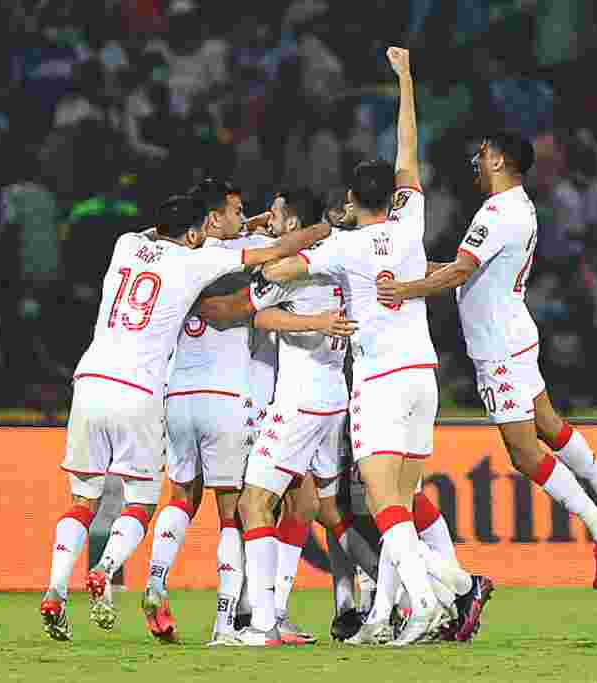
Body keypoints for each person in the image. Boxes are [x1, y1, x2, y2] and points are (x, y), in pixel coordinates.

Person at [38, 192, 329, 641]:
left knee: (110, 498)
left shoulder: (127, 244)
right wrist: (324, 230)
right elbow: (269, 258)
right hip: (188, 394)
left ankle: (61, 586)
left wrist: (230, 224)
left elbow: (163, 232)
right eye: (236, 210)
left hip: (106, 381)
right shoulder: (205, 260)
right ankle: (209, 615)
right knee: (214, 509)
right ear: (204, 226)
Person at [257, 47, 458, 646]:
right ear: (391, 198)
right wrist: (406, 81)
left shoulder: (343, 246)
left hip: (378, 382)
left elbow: (292, 268)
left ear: (353, 200)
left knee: (380, 497)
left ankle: (428, 602)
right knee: (403, 498)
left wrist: (263, 260)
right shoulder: (411, 220)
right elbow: (408, 153)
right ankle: (388, 615)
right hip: (424, 374)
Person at [376, 129, 597, 589]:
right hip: (514, 332)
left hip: (498, 346)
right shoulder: (519, 207)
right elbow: (463, 270)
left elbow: (459, 271)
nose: (476, 160)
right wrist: (411, 272)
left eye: (481, 153)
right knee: (549, 424)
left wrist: (404, 289)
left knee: (523, 451)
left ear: (499, 161)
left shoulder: (496, 213)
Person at [140, 180, 348, 645]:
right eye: (238, 210)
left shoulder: (170, 251)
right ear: (215, 217)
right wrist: (319, 227)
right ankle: (235, 619)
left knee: (182, 496)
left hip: (177, 391)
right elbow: (250, 287)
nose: (249, 216)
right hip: (239, 397)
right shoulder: (256, 251)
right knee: (245, 509)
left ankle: (156, 579)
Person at [198, 188, 378, 647]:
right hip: (335, 396)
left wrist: (187, 300)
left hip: (299, 403)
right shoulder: (341, 258)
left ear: (294, 223)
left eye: (276, 215)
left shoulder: (294, 269)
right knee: (322, 509)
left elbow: (234, 311)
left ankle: (262, 624)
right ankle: (409, 592)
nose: (269, 221)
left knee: (252, 503)